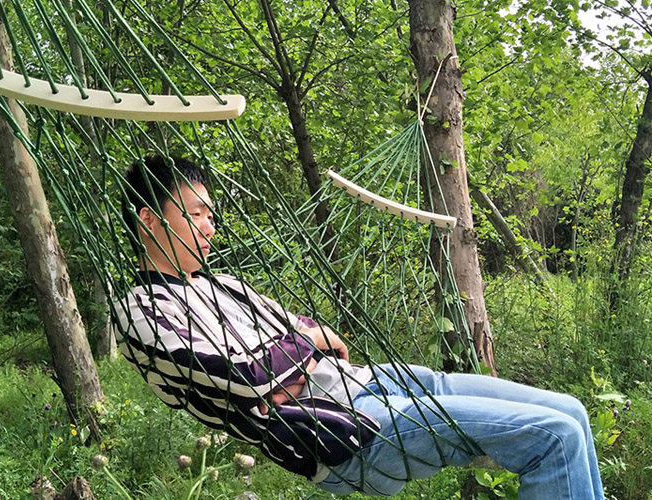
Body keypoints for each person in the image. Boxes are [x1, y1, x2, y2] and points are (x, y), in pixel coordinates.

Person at [115, 155, 604, 499]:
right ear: (149, 220)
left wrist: (293, 355)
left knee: (572, 412)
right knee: (554, 437)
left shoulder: (225, 284)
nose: (210, 226)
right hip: (344, 428)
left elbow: (298, 331)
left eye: (211, 214)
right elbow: (247, 377)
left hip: (373, 381)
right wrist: (304, 348)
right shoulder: (141, 310)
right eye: (195, 214)